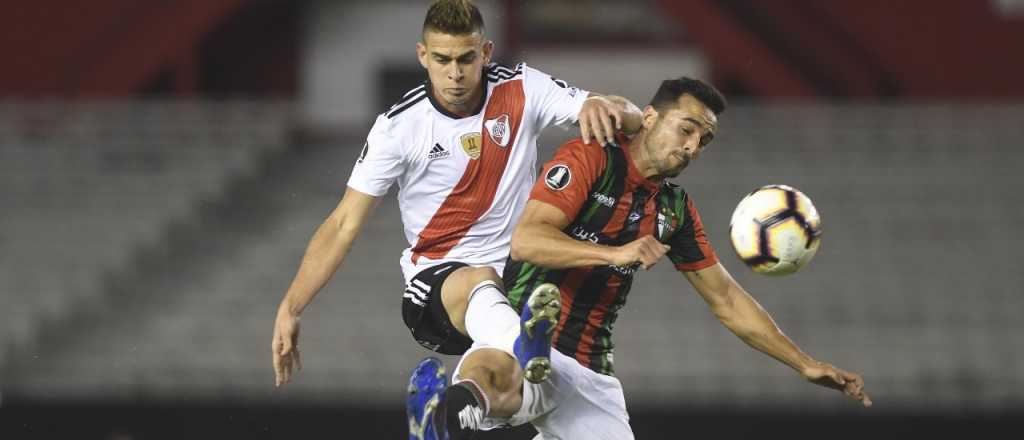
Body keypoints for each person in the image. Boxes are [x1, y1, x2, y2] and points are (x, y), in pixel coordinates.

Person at [269, 1, 642, 438]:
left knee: (504, 385)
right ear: (423, 56)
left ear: (485, 52)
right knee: (480, 280)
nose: (455, 73)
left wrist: (607, 107)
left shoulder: (522, 88)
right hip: (438, 289)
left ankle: (445, 416)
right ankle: (521, 345)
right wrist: (291, 306)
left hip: (517, 288)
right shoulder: (398, 127)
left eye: (466, 58)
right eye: (442, 60)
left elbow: (625, 114)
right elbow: (343, 223)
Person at [449, 77, 869, 439]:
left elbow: (726, 299)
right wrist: (614, 253)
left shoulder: (675, 210)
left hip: (592, 372)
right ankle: (453, 412)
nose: (691, 146)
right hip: (527, 339)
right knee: (499, 377)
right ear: (649, 117)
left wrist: (804, 363)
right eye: (686, 129)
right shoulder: (592, 157)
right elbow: (527, 240)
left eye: (703, 140)